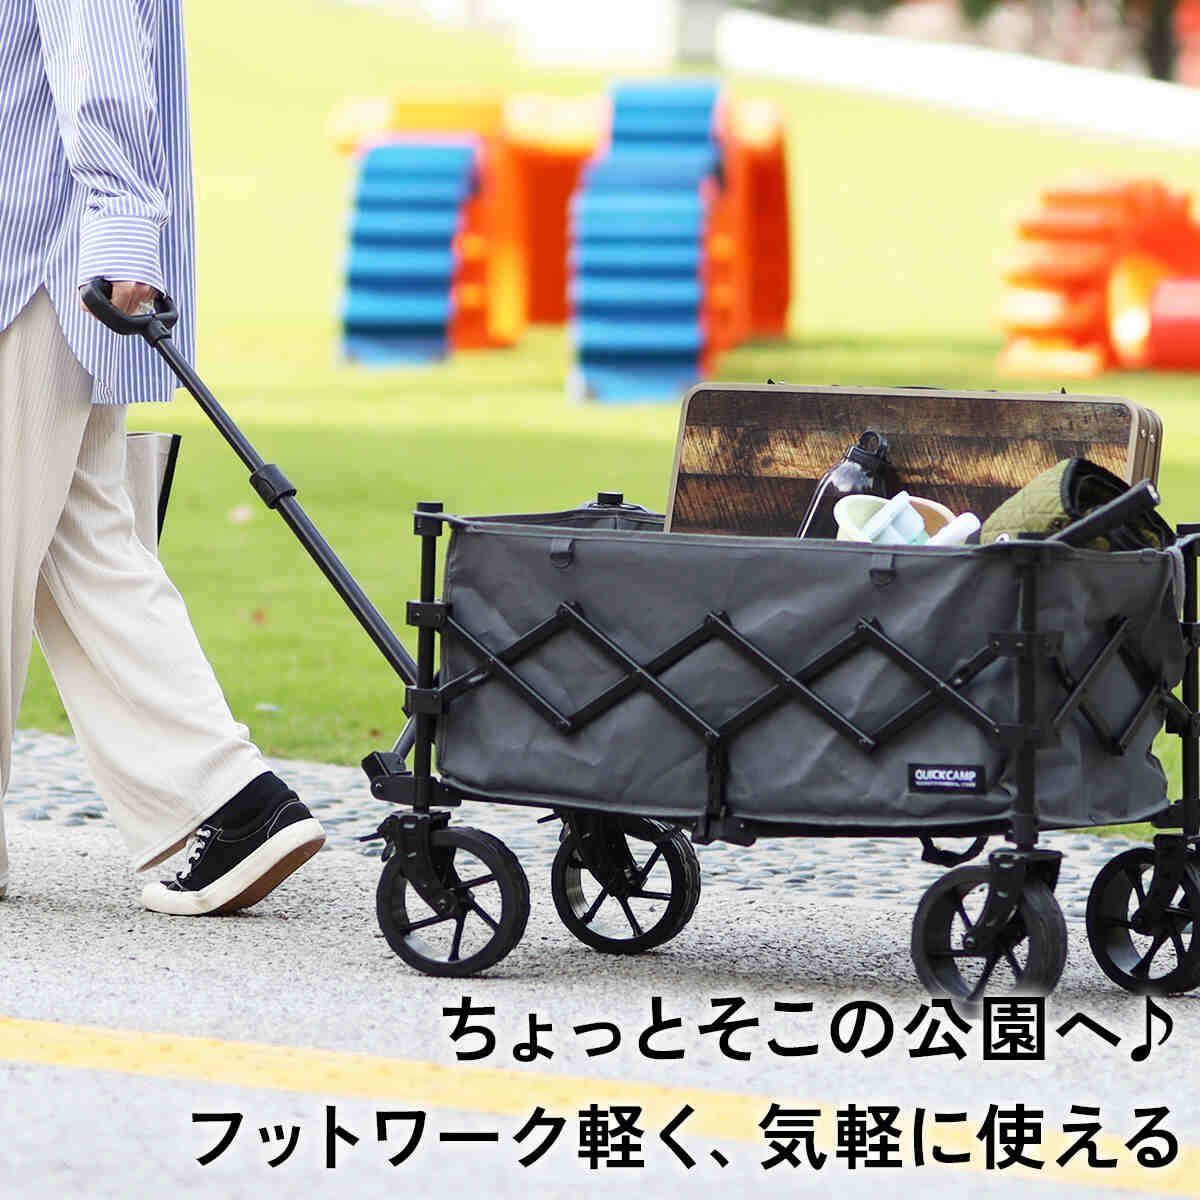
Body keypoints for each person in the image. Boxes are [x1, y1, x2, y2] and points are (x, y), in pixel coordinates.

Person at [0, 1, 325, 914]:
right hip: (48, 270)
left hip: (33, 267)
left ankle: (225, 800)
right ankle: (229, 801)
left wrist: (123, 232)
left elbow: (100, 54)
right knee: (87, 553)